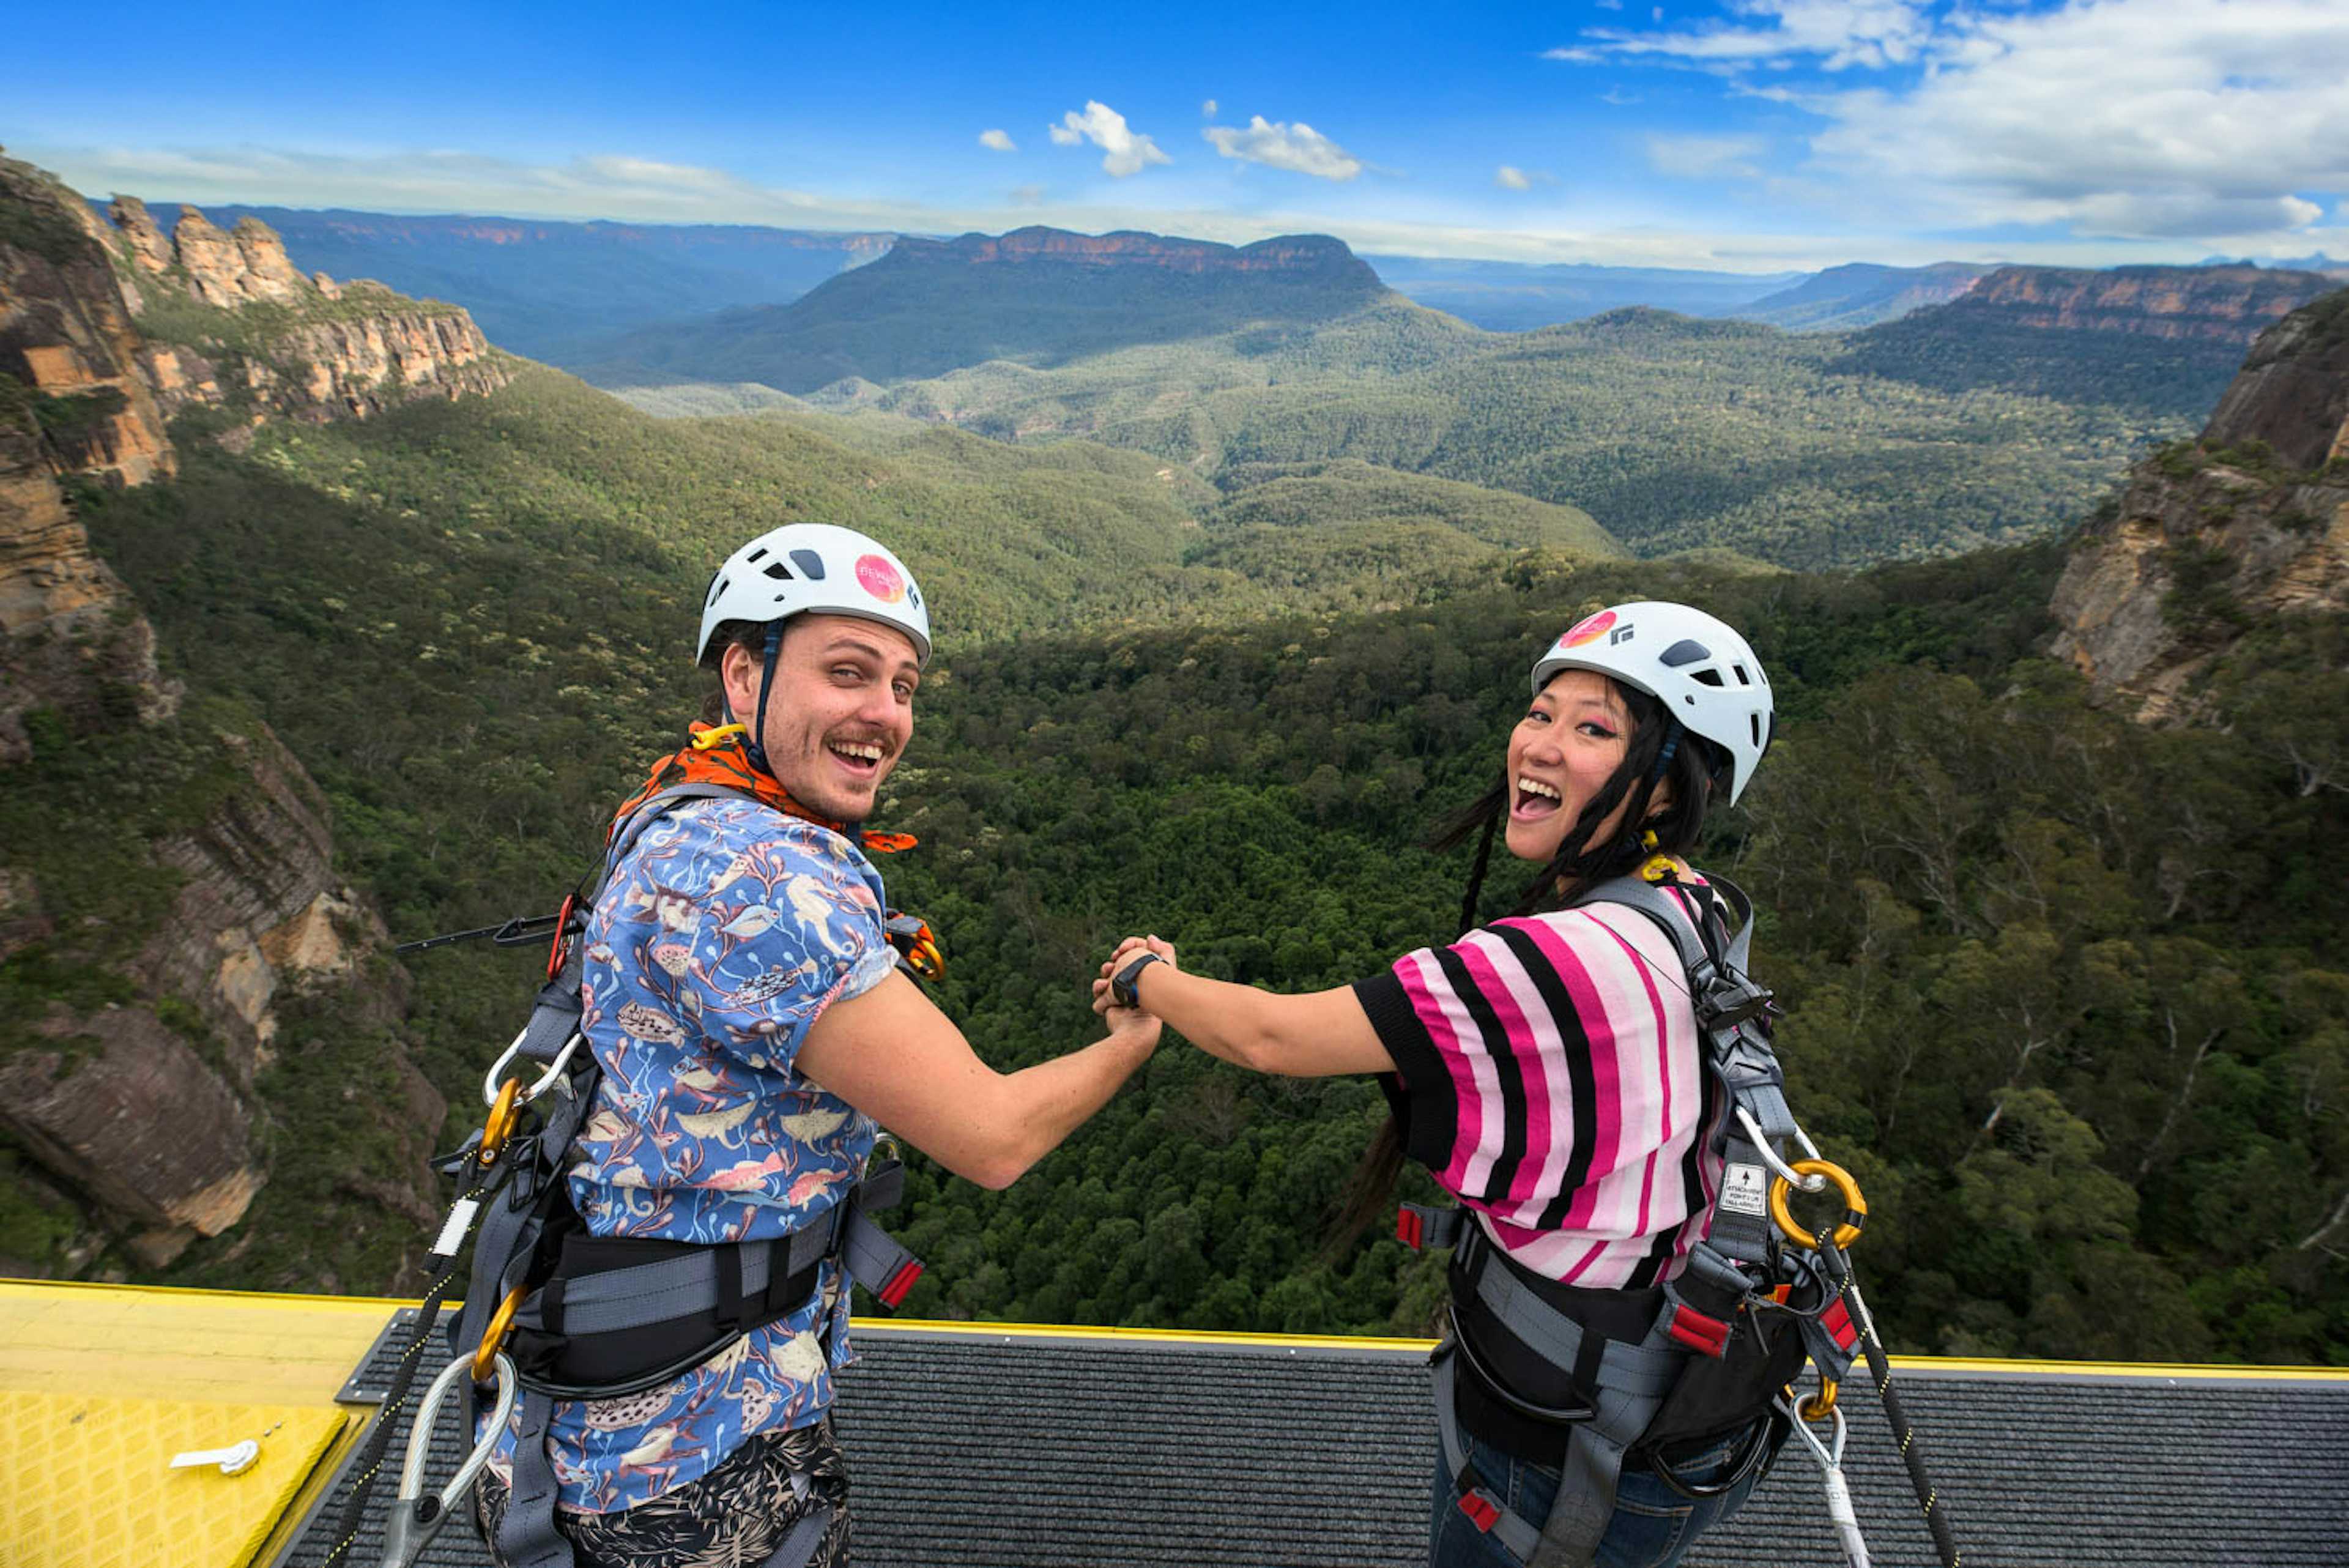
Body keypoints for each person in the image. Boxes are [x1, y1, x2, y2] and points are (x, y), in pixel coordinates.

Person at [475, 522, 1162, 1568]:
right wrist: (1133, 1037)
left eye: (904, 685)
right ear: (744, 675)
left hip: (628, 1393)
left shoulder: (683, 812)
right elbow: (994, 1137)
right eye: (847, 673)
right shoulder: (761, 883)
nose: (885, 714)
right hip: (688, 1453)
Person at [1094, 601, 1780, 1568]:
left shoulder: (1562, 960)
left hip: (1565, 1444)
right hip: (1665, 1392)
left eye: (1595, 730)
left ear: (1668, 790)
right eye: (1542, 713)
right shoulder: (1693, 905)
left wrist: (1142, 975)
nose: (1540, 744)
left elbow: (1271, 1038)